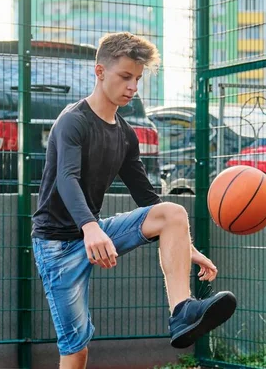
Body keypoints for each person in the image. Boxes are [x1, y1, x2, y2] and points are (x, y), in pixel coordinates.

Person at [31, 32, 237, 369]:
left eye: (137, 79)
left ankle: (182, 311)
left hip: (93, 233)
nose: (133, 86)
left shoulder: (125, 134)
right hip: (57, 246)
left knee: (171, 213)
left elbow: (146, 197)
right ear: (100, 72)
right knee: (76, 348)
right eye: (125, 76)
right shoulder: (74, 122)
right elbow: (66, 179)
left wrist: (187, 247)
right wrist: (90, 227)